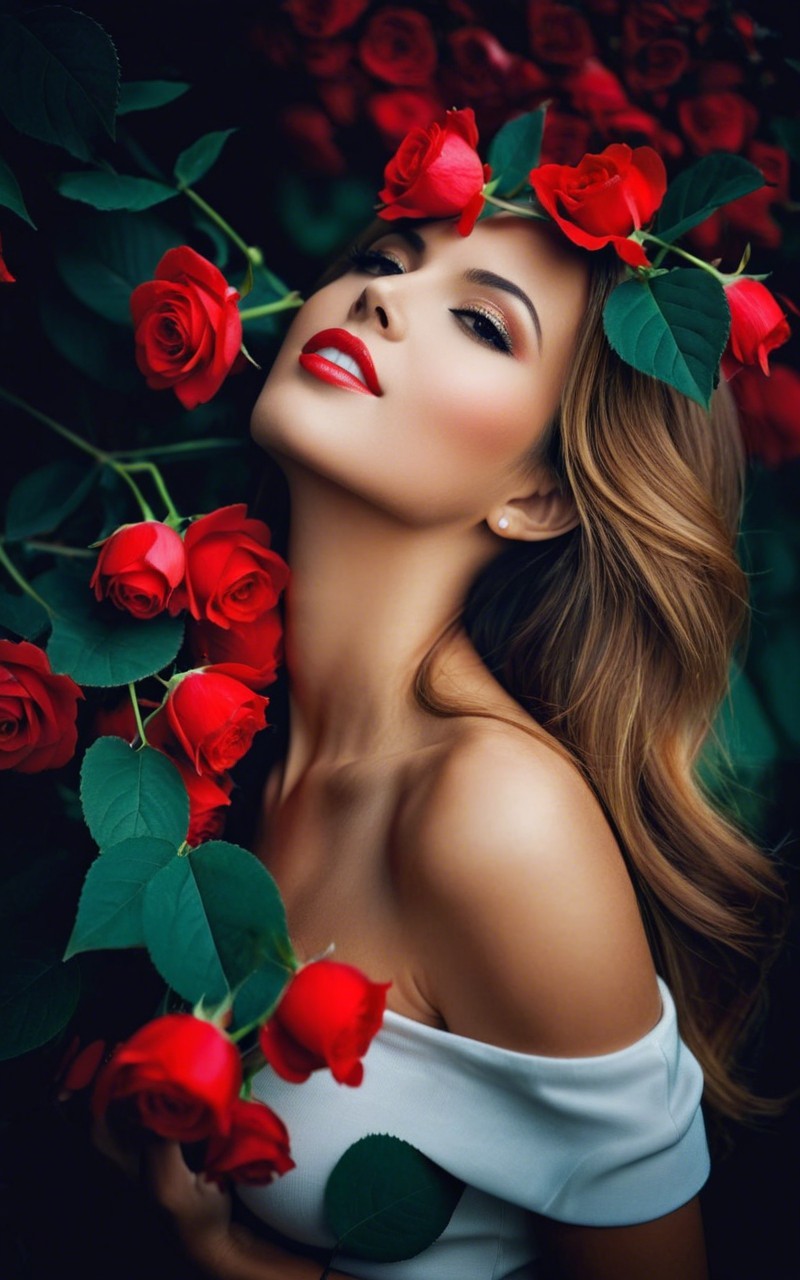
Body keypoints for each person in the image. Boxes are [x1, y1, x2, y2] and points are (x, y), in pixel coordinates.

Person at [105, 176, 783, 1278]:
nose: (379, 300)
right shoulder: (202, 734)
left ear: (540, 497)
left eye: (480, 321)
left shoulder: (494, 818)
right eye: (381, 258)